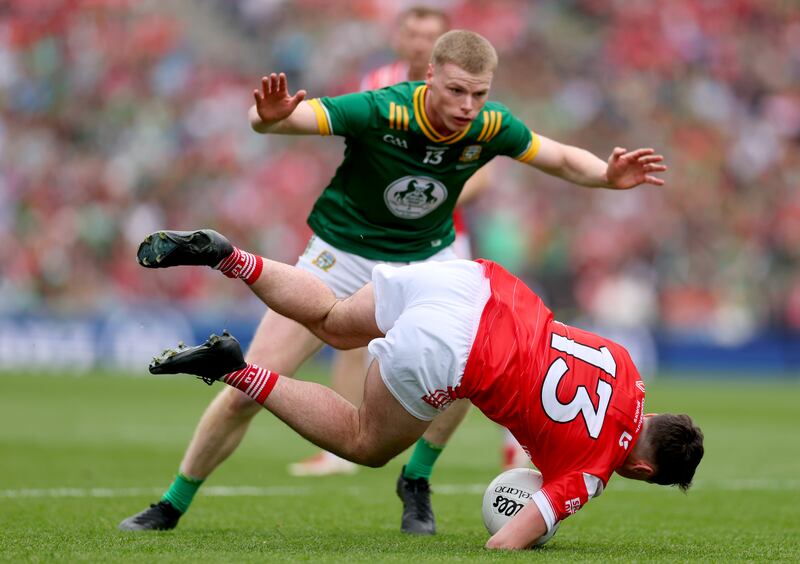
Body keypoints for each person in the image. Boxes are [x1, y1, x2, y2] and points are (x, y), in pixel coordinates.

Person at [118, 29, 668, 534]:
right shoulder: (383, 109)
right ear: (429, 76)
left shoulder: (490, 126)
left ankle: (417, 480)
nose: (467, 107)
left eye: (479, 94)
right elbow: (293, 119)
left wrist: (605, 176)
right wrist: (268, 118)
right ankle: (172, 502)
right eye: (456, 91)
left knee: (469, 369)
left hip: (425, 264)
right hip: (341, 255)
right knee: (249, 390)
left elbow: (560, 157)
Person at [133, 227, 704, 550]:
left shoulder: (626, 363)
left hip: (475, 281)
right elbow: (504, 543)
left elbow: (549, 385)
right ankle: (238, 367)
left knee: (331, 318)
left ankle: (227, 255)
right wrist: (541, 521)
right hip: (455, 348)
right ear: (645, 472)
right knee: (365, 442)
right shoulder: (594, 470)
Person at [293, 4, 528, 498]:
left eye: (431, 34)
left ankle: (509, 441)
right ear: (401, 40)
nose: (421, 41)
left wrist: (436, 193)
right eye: (413, 33)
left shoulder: (466, 96)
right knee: (352, 328)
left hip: (442, 235)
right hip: (377, 238)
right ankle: (345, 441)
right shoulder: (379, 82)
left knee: (472, 341)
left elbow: (486, 162)